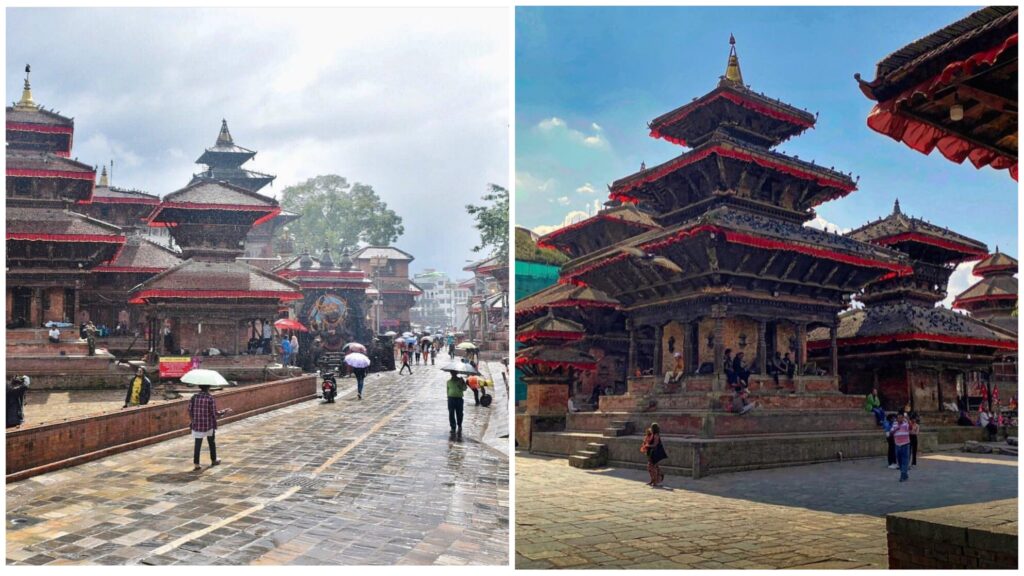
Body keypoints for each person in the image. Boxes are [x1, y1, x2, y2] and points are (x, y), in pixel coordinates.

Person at [188, 385, 230, 471]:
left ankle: (196, 464)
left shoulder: (194, 397)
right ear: (209, 388)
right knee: (211, 442)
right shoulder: (210, 398)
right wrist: (224, 411)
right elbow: (214, 413)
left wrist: (193, 420)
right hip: (208, 425)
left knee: (197, 444)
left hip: (197, 424)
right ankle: (214, 460)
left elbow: (189, 410)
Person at [446, 371, 468, 438]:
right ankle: (453, 427)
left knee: (460, 413)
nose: (453, 374)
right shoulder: (448, 381)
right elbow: (447, 390)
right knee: (451, 413)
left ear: (456, 373)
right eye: (452, 373)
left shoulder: (460, 380)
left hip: (459, 399)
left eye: (454, 373)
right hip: (451, 399)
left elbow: (465, 389)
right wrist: (448, 398)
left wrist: (463, 383)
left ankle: (459, 425)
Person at [892, 412, 912, 482]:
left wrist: (908, 420)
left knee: (905, 460)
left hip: (905, 444)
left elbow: (910, 427)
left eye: (901, 417)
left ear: (903, 418)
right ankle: (905, 474)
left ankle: (902, 475)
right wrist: (895, 429)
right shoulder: (894, 424)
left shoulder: (906, 423)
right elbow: (891, 432)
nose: (900, 419)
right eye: (898, 418)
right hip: (897, 444)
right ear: (897, 418)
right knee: (899, 460)